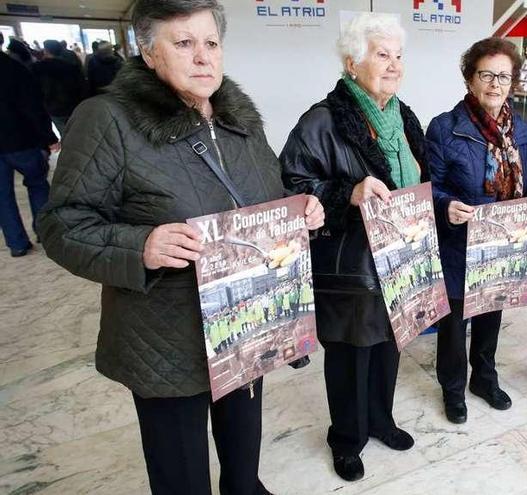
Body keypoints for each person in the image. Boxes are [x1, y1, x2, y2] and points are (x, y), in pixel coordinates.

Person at [37, 1, 325, 493]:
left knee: (242, 439)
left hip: (243, 322)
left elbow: (268, 198)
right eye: (184, 43)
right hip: (165, 336)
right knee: (181, 471)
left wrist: (303, 214)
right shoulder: (108, 119)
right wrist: (140, 245)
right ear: (149, 53)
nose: (203, 58)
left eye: (211, 43)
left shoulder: (239, 119)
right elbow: (62, 224)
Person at [280, 12, 421, 482]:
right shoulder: (322, 121)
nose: (394, 65)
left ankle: (381, 420)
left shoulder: (403, 115)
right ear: (351, 62)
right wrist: (348, 194)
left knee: (389, 346)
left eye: (398, 55)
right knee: (349, 354)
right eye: (382, 54)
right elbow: (292, 186)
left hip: (399, 258)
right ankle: (346, 438)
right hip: (350, 263)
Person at [425, 37, 527, 424]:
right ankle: (452, 387)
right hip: (459, 242)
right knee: (454, 321)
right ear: (469, 79)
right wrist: (446, 205)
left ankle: (484, 377)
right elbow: (430, 186)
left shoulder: (523, 130)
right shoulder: (446, 128)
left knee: (491, 314)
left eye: (504, 76)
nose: (495, 84)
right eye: (486, 75)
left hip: (503, 244)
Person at [0, 32, 56, 258]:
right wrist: (48, 137)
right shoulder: (15, 69)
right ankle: (44, 232)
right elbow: (33, 106)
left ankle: (17, 243)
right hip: (23, 141)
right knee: (38, 184)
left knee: (2, 197)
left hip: (13, 143)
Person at [32, 39, 86, 138]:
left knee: (64, 133)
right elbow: (81, 86)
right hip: (73, 105)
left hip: (53, 106)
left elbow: (36, 90)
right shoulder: (70, 67)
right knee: (79, 131)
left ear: (46, 51)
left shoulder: (38, 68)